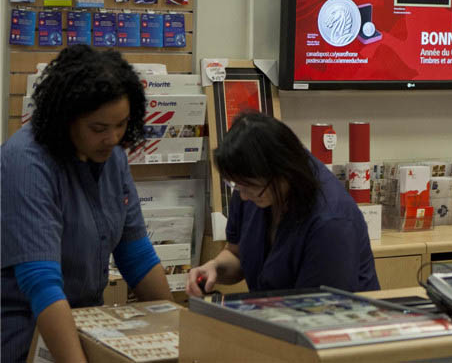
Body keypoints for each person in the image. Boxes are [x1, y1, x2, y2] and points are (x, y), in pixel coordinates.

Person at [1, 45, 172, 363]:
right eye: (98, 129)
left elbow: (137, 258)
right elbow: (42, 285)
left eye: (121, 125)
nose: (113, 138)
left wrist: (179, 335)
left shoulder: (112, 158)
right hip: (26, 334)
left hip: (85, 326)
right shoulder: (26, 163)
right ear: (67, 119)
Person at [186, 113, 378, 297]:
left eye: (250, 188)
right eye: (237, 186)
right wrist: (214, 268)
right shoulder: (251, 183)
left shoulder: (331, 222)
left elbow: (321, 311)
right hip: (277, 316)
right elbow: (237, 255)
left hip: (332, 319)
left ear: (283, 174)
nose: (243, 196)